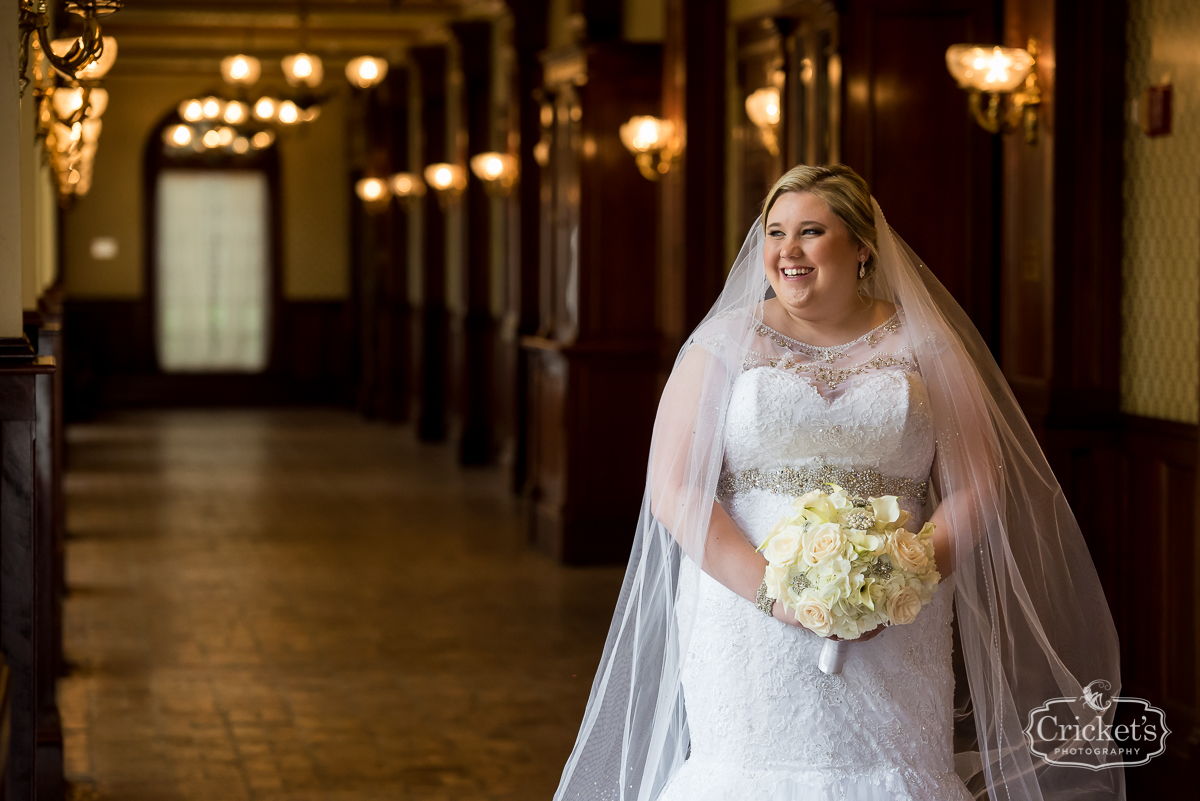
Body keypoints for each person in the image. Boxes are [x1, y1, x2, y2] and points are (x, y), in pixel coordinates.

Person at [554, 164, 1125, 801]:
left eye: (810, 232)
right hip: (745, 618)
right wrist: (775, 595)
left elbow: (977, 486)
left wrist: (900, 578)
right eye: (775, 233)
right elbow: (677, 492)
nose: (786, 252)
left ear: (861, 248)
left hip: (898, 620)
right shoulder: (723, 343)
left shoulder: (923, 344)